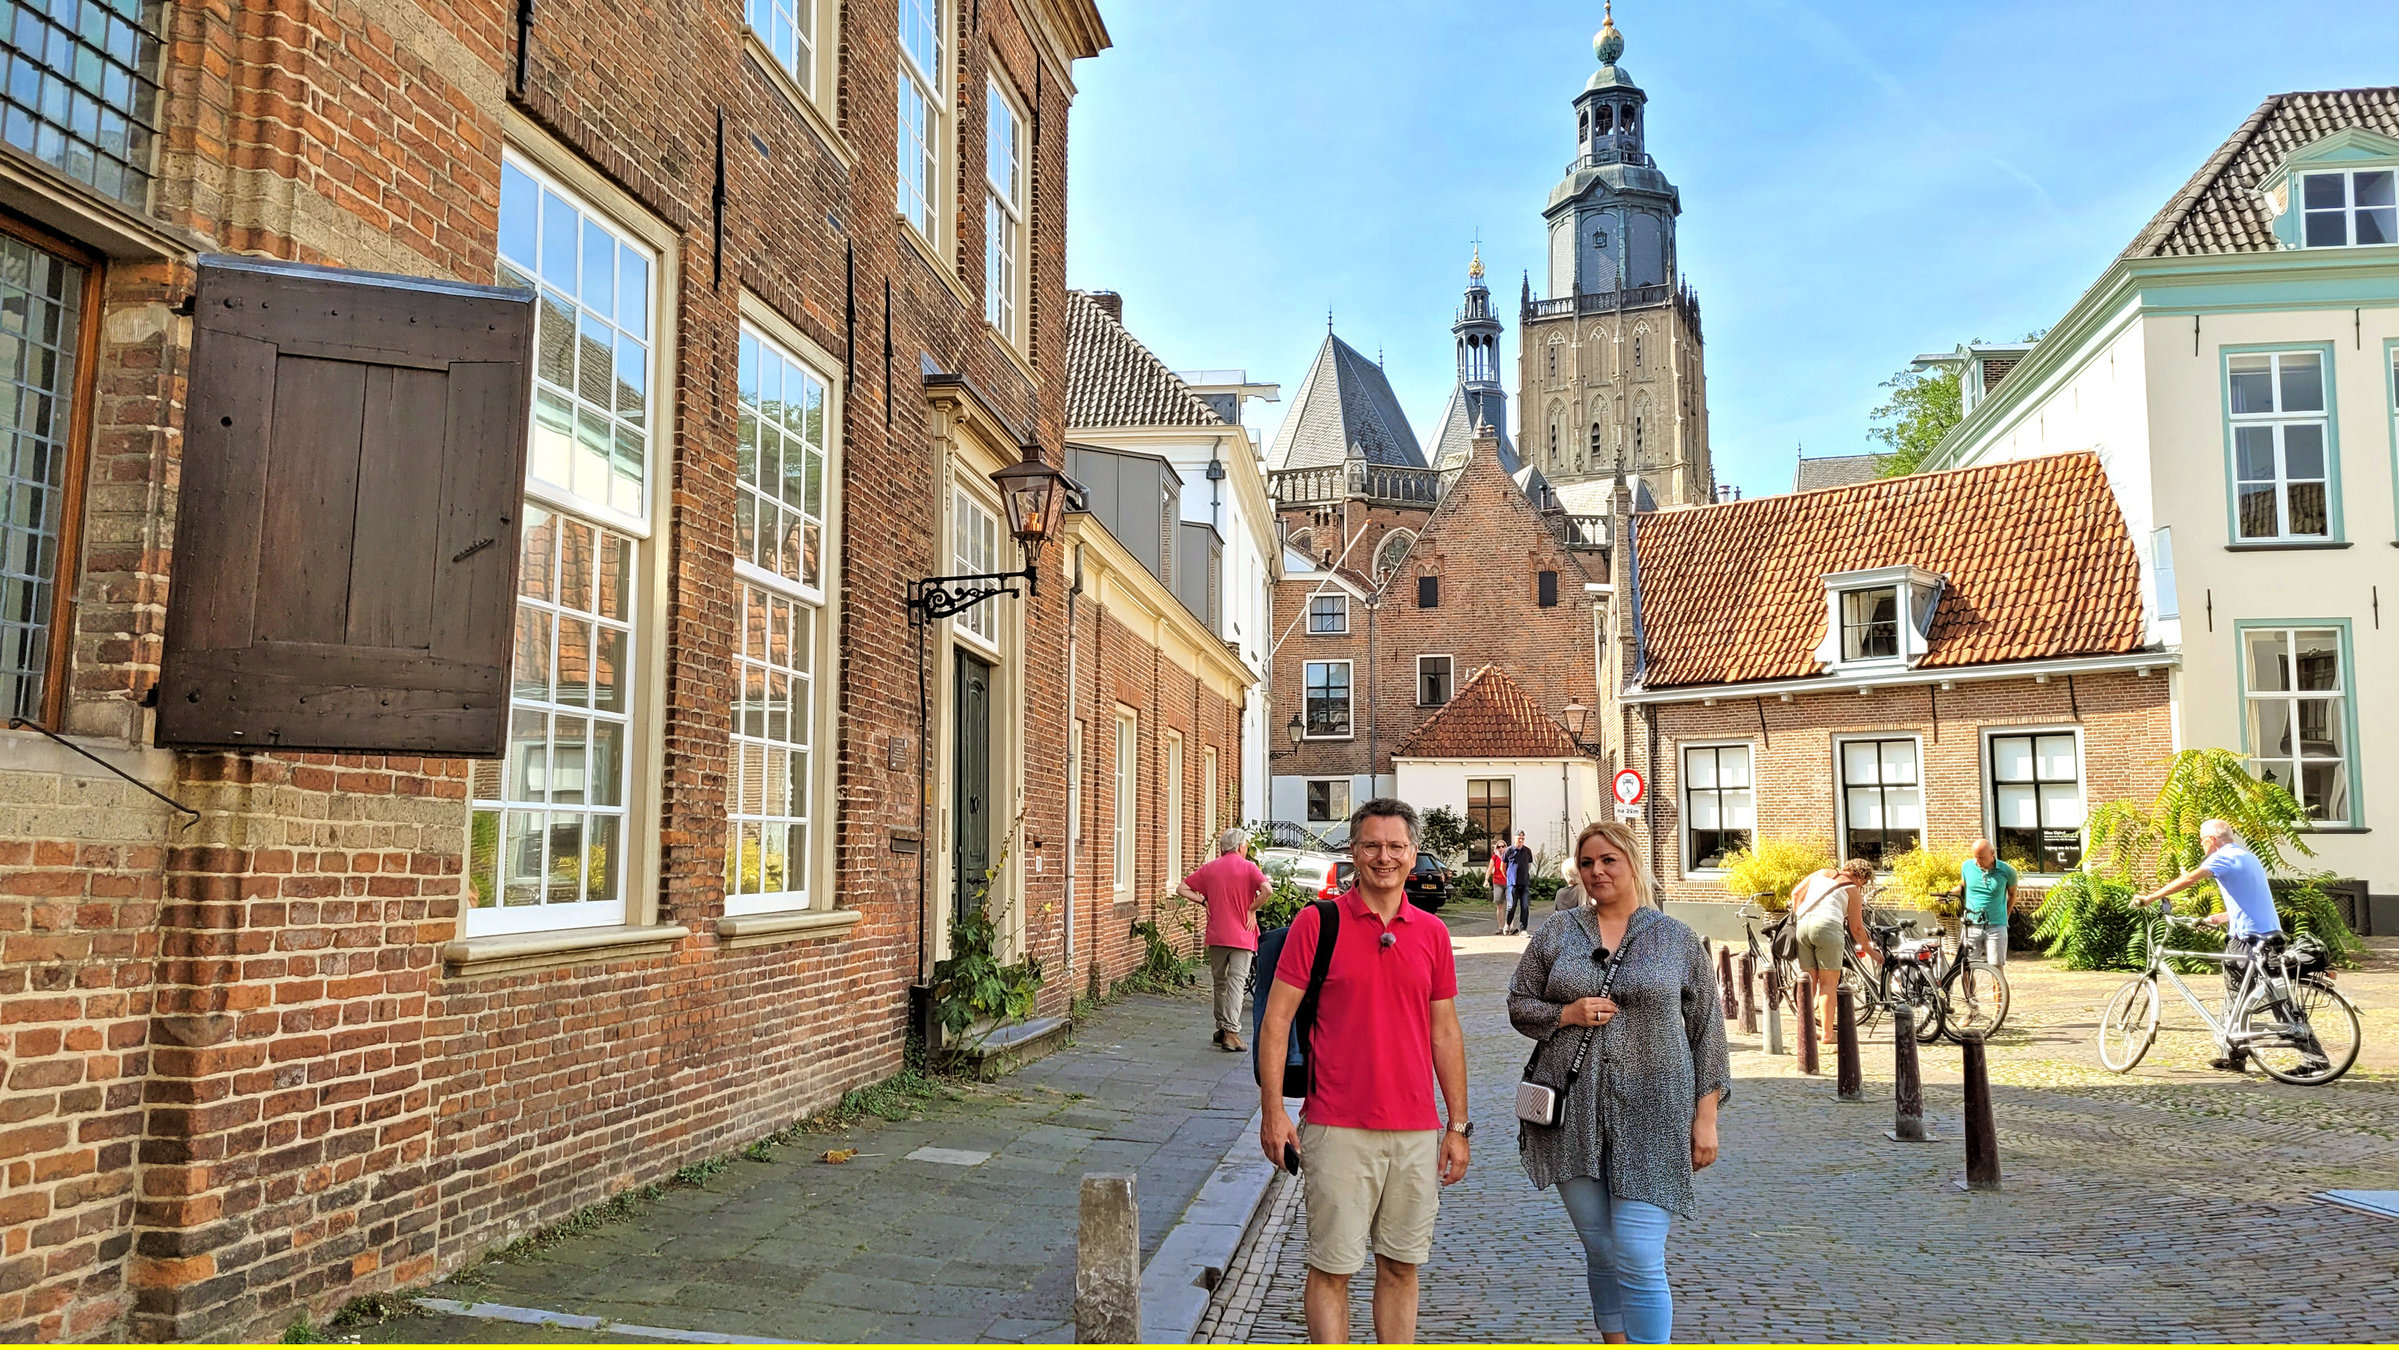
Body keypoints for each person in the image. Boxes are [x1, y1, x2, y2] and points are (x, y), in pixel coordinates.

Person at [1257, 799, 1470, 1345]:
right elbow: (1276, 1021)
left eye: (1396, 846)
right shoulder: (1316, 923)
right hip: (1337, 1125)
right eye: (1372, 845)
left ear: (1413, 853)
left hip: (1416, 1130)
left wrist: (1458, 1125)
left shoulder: (1431, 934)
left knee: (1401, 1267)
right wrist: (1274, 1112)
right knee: (1332, 1269)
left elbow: (1444, 1032)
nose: (1384, 857)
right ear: (1354, 852)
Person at [1508, 820, 1731, 1344]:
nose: (1597, 871)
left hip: (1656, 1113)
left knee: (1636, 1251)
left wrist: (1707, 1119)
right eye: (1587, 863)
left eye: (1608, 860)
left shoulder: (1674, 938)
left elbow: (1708, 1034)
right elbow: (1519, 1004)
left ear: (1632, 862)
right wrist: (1567, 1013)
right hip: (1572, 1116)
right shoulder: (1558, 932)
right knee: (1602, 1251)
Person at [2134, 819, 2302, 1072]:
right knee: (2275, 999)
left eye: (2202, 840)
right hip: (2268, 934)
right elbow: (2251, 901)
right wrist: (2219, 918)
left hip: (2246, 940)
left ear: (2211, 840)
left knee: (2237, 996)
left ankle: (2236, 1054)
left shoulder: (2222, 857)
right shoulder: (2248, 857)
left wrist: (2150, 898)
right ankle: (2309, 1058)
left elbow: (2190, 878)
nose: (2202, 846)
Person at [1179, 827, 1273, 1053]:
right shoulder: (1249, 867)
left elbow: (1182, 888)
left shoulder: (1210, 868)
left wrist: (1203, 902)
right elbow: (1267, 890)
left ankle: (1221, 1027)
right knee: (1236, 983)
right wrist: (1252, 909)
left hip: (1217, 933)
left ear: (1223, 847)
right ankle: (1231, 1032)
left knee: (1220, 982)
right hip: (1242, 933)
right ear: (1241, 847)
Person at [1787, 859, 1878, 1045]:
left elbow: (1796, 894)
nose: (1862, 886)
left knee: (1807, 982)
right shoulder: (1852, 889)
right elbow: (1857, 929)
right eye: (1865, 882)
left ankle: (1805, 1031)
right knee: (1828, 984)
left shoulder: (1820, 873)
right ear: (1861, 877)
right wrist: (1871, 951)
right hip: (1828, 927)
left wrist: (1801, 915)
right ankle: (1827, 1035)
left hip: (1803, 926)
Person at [1959, 839, 2017, 967]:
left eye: (1982, 858)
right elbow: (1963, 887)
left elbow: (2012, 895)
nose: (1978, 862)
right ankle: (1968, 988)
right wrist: (1946, 893)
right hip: (1971, 923)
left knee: (1996, 968)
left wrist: (2005, 916)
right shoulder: (1967, 866)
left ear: (1992, 853)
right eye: (1976, 857)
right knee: (1967, 966)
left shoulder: (2007, 871)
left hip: (1996, 925)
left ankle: (1998, 988)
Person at [1503, 831, 1536, 935]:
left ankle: (1523, 929)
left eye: (1522, 839)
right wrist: (1508, 877)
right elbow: (1503, 866)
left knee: (1525, 906)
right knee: (1511, 906)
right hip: (1512, 883)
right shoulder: (1508, 851)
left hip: (1524, 883)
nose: (1521, 841)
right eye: (1519, 838)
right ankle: (1508, 924)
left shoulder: (1527, 851)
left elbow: (1529, 865)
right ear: (1514, 839)